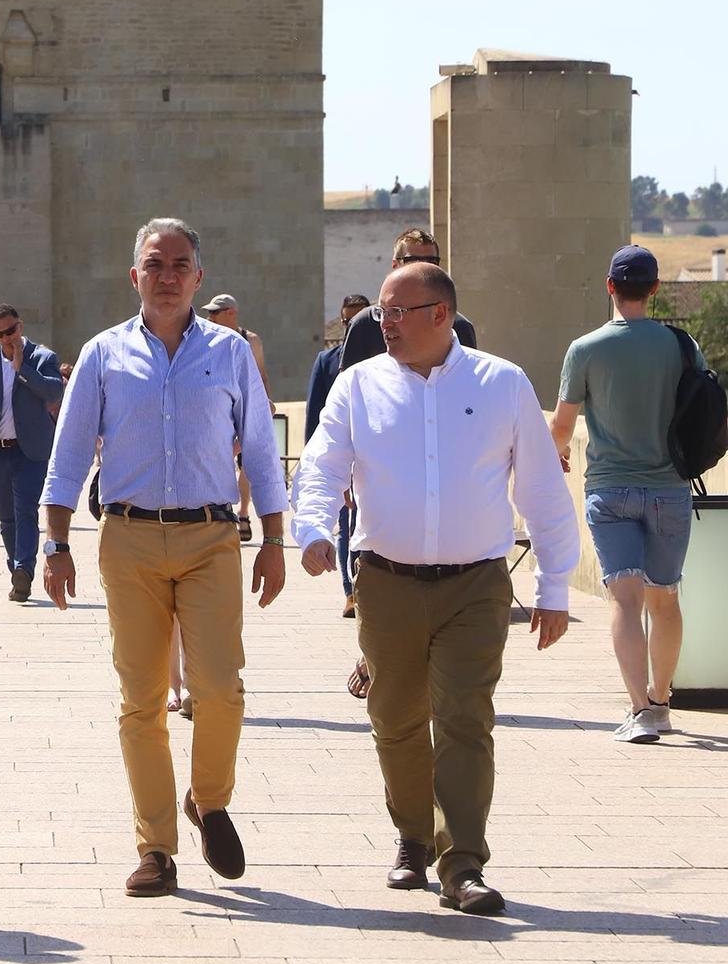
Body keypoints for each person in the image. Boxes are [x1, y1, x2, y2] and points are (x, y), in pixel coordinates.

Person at [296, 263, 574, 913]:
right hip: (386, 583)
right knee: (394, 718)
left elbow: (540, 489)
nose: (382, 323)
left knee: (464, 717)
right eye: (379, 314)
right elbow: (322, 464)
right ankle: (412, 839)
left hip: (476, 584)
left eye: (397, 312)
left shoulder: (500, 383)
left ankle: (463, 862)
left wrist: (555, 585)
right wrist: (312, 527)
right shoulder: (357, 386)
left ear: (441, 315)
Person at [42, 218, 285, 899]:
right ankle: (156, 848)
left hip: (212, 538)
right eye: (155, 263)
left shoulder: (230, 354)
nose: (169, 274)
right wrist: (56, 545)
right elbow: (67, 457)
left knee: (219, 687)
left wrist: (273, 539)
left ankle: (208, 801)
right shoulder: (103, 355)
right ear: (135, 276)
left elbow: (261, 451)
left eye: (181, 264)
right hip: (130, 540)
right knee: (142, 700)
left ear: (199, 277)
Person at [550, 245, 690, 745]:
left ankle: (639, 712)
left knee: (625, 601)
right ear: (654, 289)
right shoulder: (680, 344)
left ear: (610, 285)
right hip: (670, 489)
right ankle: (662, 701)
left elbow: (563, 427)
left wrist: (559, 452)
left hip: (609, 489)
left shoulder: (585, 348)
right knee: (665, 598)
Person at [334, 229, 478, 696]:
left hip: (444, 479)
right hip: (382, 475)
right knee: (378, 566)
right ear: (394, 265)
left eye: (433, 258)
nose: (425, 263)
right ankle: (373, 649)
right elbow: (343, 403)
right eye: (414, 258)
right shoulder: (365, 329)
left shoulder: (462, 329)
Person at [0, 304, 68, 601]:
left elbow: (54, 392)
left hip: (30, 452)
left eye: (10, 331)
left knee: (25, 512)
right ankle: (16, 570)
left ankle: (25, 569)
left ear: (20, 326)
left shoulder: (42, 357)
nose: (6, 339)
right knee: (6, 518)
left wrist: (23, 370)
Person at [305, 294, 372, 623]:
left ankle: (364, 588)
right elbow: (315, 419)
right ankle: (350, 591)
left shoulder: (387, 360)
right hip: (341, 461)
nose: (351, 326)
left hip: (373, 466)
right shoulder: (327, 361)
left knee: (365, 525)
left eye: (358, 318)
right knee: (346, 528)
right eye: (347, 320)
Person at [339, 228, 478, 368]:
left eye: (431, 261)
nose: (421, 267)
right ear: (395, 265)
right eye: (413, 260)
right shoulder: (365, 324)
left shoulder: (457, 325)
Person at [200, 293, 269, 541]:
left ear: (230, 313)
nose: (210, 317)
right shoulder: (205, 340)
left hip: (246, 408)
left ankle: (243, 512)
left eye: (214, 313)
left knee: (247, 464)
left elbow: (261, 377)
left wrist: (266, 406)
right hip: (220, 411)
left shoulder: (250, 341)